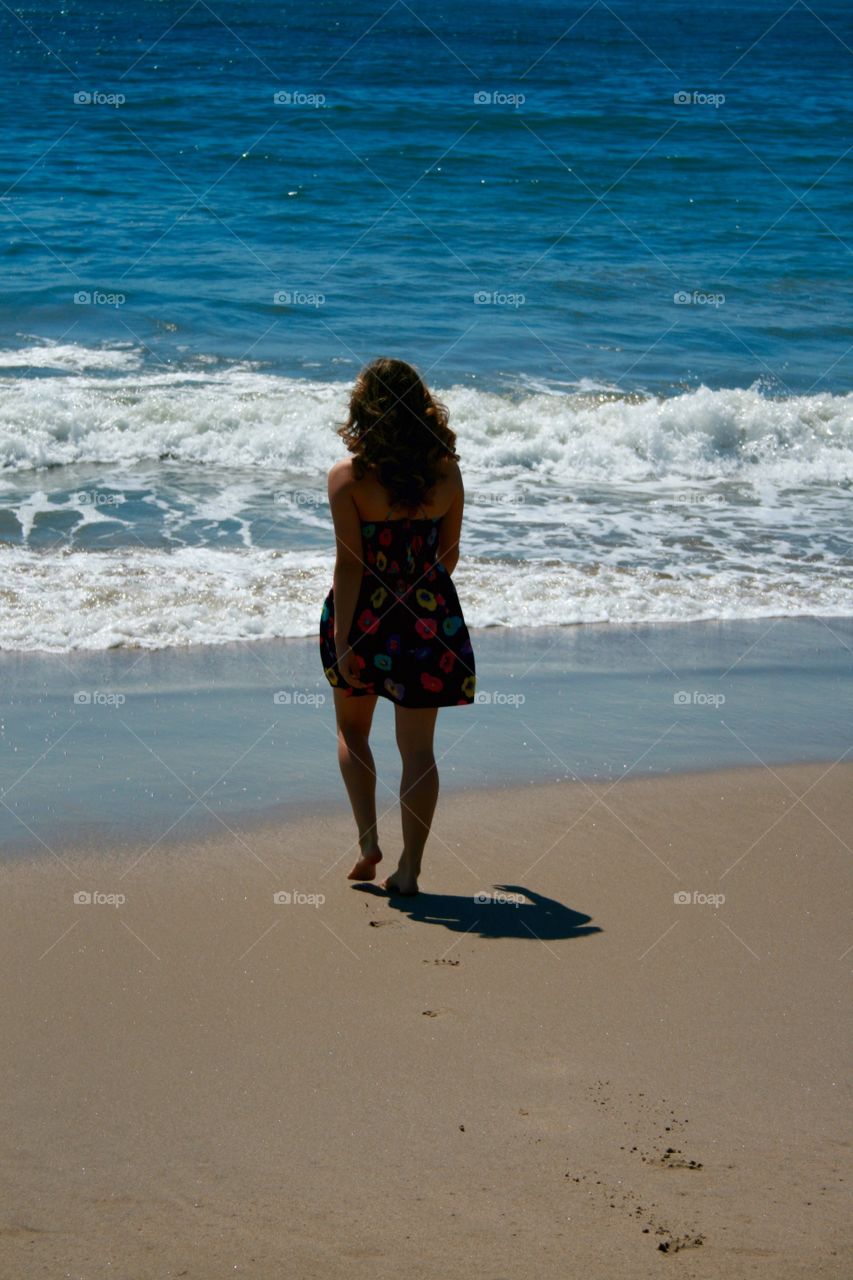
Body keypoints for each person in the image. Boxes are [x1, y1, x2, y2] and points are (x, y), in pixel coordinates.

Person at [319, 357, 476, 895]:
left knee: (352, 730)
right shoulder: (448, 471)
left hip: (364, 615)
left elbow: (350, 564)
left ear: (365, 411)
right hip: (429, 617)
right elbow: (449, 555)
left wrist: (343, 639)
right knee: (418, 751)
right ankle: (410, 869)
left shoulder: (348, 478)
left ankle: (368, 843)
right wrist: (421, 594)